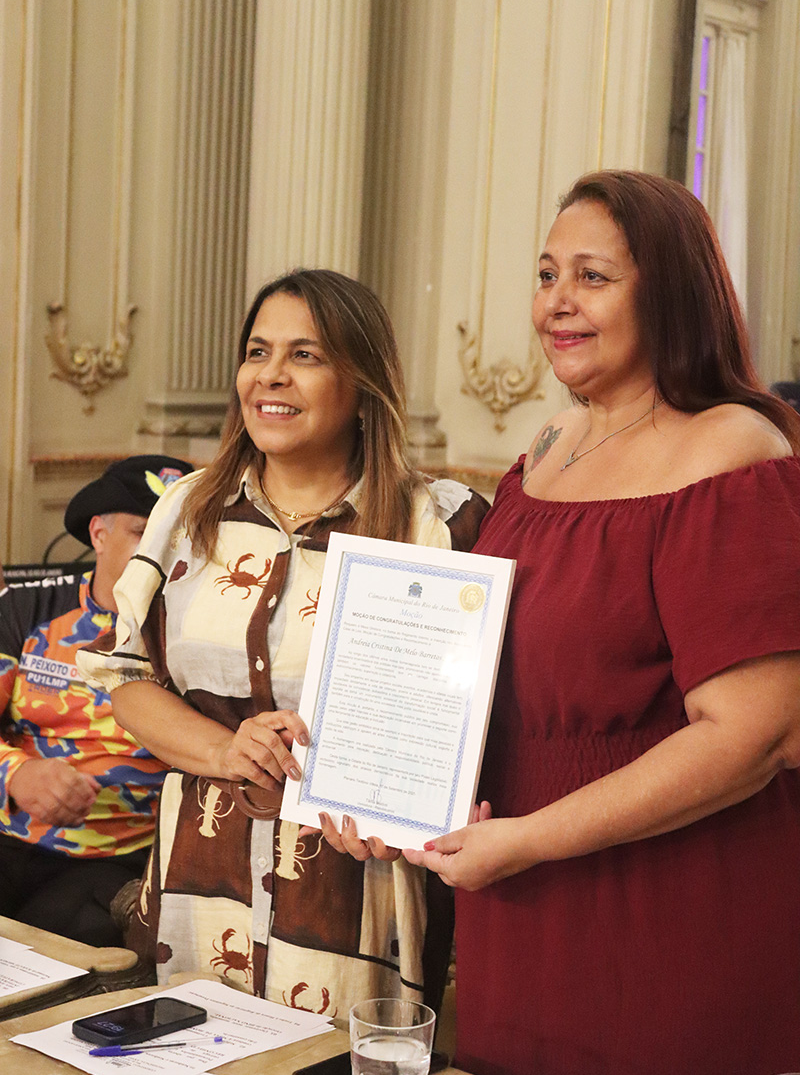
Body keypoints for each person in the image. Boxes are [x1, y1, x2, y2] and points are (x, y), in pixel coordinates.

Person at [404, 171, 800, 1075]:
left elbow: (752, 737)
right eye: (545, 275)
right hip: (520, 903)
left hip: (669, 909)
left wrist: (531, 840)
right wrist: (395, 783)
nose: (555, 303)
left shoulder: (729, 450)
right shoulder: (547, 443)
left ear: (667, 289)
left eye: (591, 276)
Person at [78, 269, 488, 1017]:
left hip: (353, 888)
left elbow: (458, 722)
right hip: (198, 882)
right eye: (258, 351)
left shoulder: (436, 524)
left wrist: (400, 800)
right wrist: (228, 751)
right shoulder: (185, 509)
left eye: (306, 355)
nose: (270, 375)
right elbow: (127, 676)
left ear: (362, 379)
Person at [0, 454, 193, 946]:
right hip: (9, 836)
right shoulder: (28, 610)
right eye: (142, 533)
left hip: (122, 859)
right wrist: (16, 772)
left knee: (53, 943)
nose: (161, 554)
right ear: (99, 535)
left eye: (177, 538)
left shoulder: (199, 638)